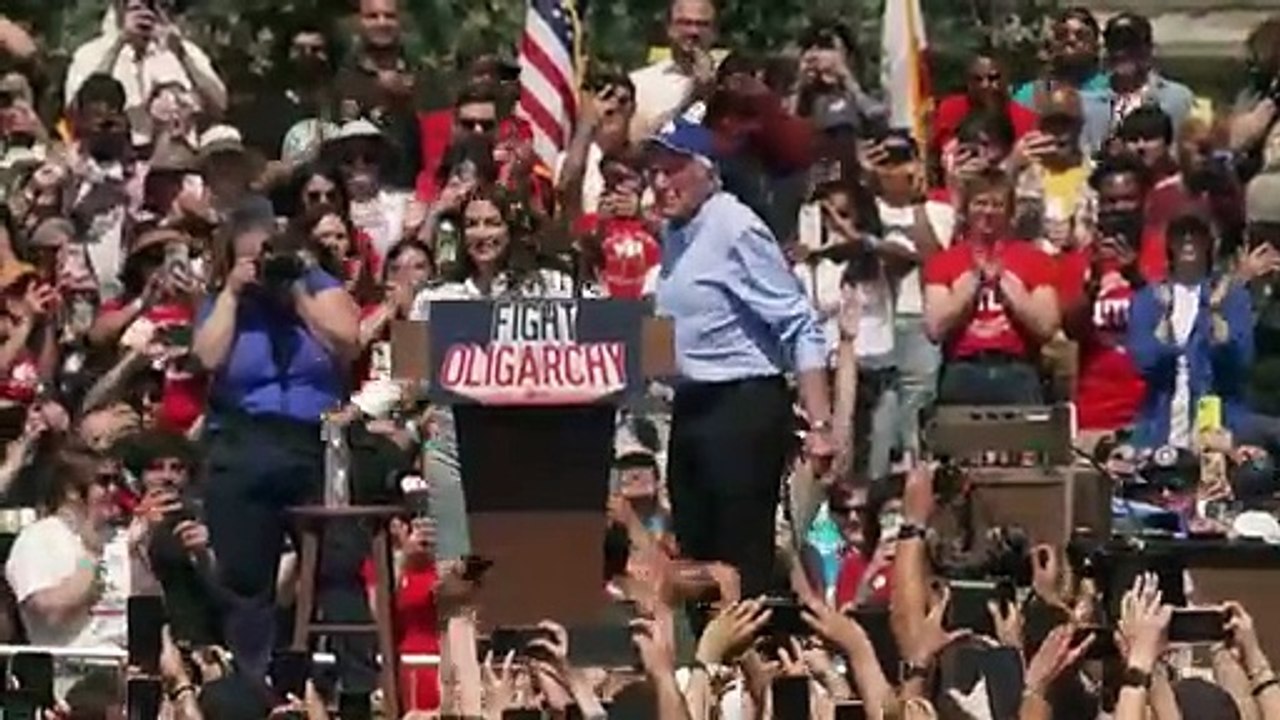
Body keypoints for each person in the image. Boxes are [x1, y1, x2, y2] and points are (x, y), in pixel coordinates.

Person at [649, 118, 832, 596]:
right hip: (692, 407)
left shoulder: (735, 227)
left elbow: (797, 322)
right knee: (695, 552)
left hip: (741, 404)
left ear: (707, 171)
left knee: (739, 559)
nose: (660, 182)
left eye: (673, 169)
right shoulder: (675, 234)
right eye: (655, 171)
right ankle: (711, 665)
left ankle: (752, 663)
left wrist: (820, 425)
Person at [191, 196, 359, 677]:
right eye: (252, 258)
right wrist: (231, 293)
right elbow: (206, 358)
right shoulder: (226, 301)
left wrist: (298, 297)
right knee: (245, 578)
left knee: (337, 566)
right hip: (244, 441)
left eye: (269, 255)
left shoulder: (316, 286)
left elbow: (348, 341)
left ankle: (353, 685)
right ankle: (250, 684)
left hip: (313, 439)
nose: (263, 266)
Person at [923, 168, 1060, 405]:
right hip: (964, 369)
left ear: (1010, 212)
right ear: (966, 210)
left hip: (1017, 370)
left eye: (997, 205)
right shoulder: (943, 262)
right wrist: (971, 284)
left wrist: (1011, 289)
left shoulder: (1036, 260)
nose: (988, 211)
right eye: (980, 203)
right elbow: (935, 329)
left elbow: (1046, 327)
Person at [1127, 214, 1253, 449]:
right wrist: (1166, 316)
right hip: (1161, 420)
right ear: (1169, 244)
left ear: (1209, 244)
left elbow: (1240, 361)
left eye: (1196, 235)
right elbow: (1144, 362)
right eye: (1179, 235)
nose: (1187, 241)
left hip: (1219, 421)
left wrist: (1215, 313)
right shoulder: (1148, 298)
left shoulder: (1232, 296)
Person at [5, 442, 128, 650]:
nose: (114, 490)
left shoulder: (123, 538)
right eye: (104, 482)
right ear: (71, 491)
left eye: (117, 481)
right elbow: (52, 614)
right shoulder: (40, 538)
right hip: (75, 669)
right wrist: (90, 556)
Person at [64, 0, 226, 146]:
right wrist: (120, 42)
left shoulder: (186, 52)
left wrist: (182, 55)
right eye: (136, 8)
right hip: (112, 161)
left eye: (152, 7)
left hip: (175, 162)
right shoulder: (90, 54)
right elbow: (75, 113)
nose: (145, 14)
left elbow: (219, 106)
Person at [1081, 12, 1194, 154]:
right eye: (1115, 44)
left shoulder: (1177, 98)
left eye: (1131, 44)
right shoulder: (1087, 104)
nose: (1122, 52)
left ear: (1149, 48)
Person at [629, 0, 718, 140]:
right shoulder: (640, 83)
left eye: (702, 24)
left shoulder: (731, 80)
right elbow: (635, 143)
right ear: (669, 28)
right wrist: (691, 96)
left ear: (714, 32)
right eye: (685, 23)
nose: (693, 31)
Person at [930, 52, 1037, 165]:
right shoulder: (950, 109)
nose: (985, 85)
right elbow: (945, 150)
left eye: (993, 78)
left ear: (1005, 79)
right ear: (968, 82)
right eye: (978, 79)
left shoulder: (1025, 117)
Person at [1012, 7, 1108, 109]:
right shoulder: (1028, 95)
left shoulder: (1110, 90)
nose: (1070, 40)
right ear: (1052, 45)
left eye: (1081, 35)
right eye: (1062, 34)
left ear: (1095, 46)